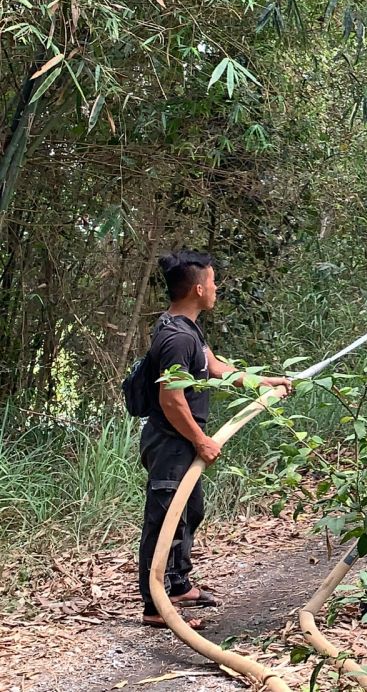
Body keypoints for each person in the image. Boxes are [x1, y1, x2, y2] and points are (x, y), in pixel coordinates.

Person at [138, 250, 292, 629]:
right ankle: (156, 605)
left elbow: (215, 367)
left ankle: (177, 585)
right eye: (212, 281)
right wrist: (201, 439)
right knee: (164, 520)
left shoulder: (188, 328)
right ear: (197, 288)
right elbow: (170, 399)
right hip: (170, 441)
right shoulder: (175, 337)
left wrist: (263, 382)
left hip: (183, 441)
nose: (216, 287)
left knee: (189, 512)